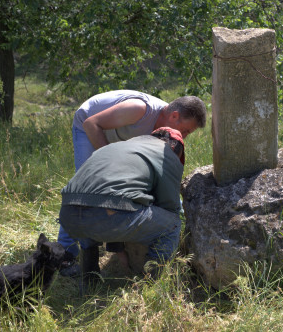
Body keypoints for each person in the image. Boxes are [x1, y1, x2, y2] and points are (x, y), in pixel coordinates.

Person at [59, 90, 206, 276]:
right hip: (88, 125)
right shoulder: (140, 109)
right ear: (174, 116)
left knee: (90, 195)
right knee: (93, 190)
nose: (184, 137)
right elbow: (91, 123)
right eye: (185, 131)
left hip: (67, 210)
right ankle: (65, 254)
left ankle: (90, 275)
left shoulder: (154, 132)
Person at [58, 127, 186, 282]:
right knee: (171, 225)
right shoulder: (166, 154)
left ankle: (88, 282)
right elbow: (170, 206)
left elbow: (111, 195)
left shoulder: (115, 147)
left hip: (68, 215)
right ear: (173, 149)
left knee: (94, 220)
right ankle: (152, 284)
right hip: (108, 215)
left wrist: (118, 249)